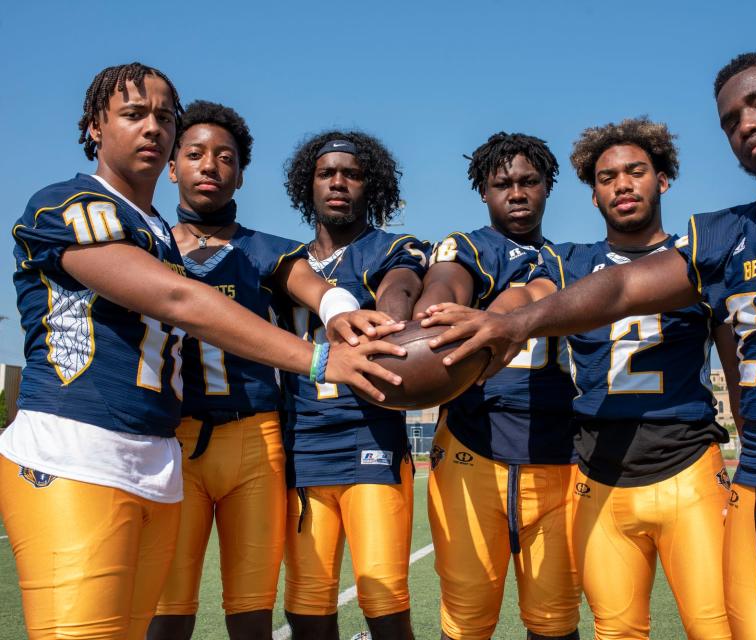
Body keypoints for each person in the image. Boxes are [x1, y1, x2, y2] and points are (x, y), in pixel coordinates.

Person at [426, 52, 756, 639]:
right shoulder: (725, 235)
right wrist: (506, 322)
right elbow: (620, 284)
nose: (747, 124)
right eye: (731, 119)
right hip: (753, 483)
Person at [0, 63, 404, 640]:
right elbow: (178, 298)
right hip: (77, 447)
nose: (153, 128)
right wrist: (317, 359)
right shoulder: (68, 203)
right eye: (134, 114)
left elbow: (301, 278)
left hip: (157, 454)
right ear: (94, 126)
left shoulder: (165, 234)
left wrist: (338, 307)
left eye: (163, 117)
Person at [427, 118, 736, 639]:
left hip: (688, 461)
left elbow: (735, 357)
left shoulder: (700, 255)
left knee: (719, 626)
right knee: (613, 629)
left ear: (663, 179)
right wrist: (495, 324)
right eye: (607, 176)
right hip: (599, 471)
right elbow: (530, 295)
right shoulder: (570, 262)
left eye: (635, 171)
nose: (622, 184)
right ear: (592, 196)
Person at [148, 102, 393, 640]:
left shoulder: (268, 250)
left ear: (240, 171)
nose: (209, 165)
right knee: (167, 609)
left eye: (225, 157)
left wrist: (339, 310)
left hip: (256, 440)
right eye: (194, 154)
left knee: (251, 610)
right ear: (171, 166)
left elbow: (317, 289)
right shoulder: (149, 245)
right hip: (172, 441)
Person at [412, 133, 580, 640]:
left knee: (554, 621)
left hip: (557, 455)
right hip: (472, 447)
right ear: (483, 191)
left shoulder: (569, 258)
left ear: (548, 186)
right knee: (465, 620)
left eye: (529, 181)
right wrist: (435, 312)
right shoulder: (467, 246)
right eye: (502, 183)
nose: (517, 193)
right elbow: (444, 285)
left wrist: (504, 313)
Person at [277, 130, 428, 640]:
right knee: (307, 609)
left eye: (353, 173)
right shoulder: (285, 263)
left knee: (385, 606)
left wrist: (387, 317)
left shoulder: (390, 248)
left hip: (371, 441)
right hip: (301, 446)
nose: (339, 182)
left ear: (373, 185)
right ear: (308, 184)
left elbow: (400, 284)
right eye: (326, 173)